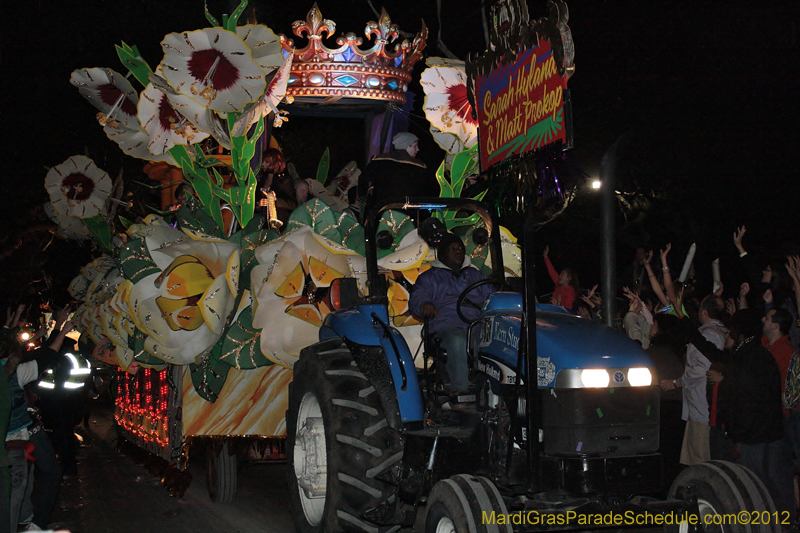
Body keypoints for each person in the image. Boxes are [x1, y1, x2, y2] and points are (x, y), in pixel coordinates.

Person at [409, 233, 495, 403]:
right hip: (444, 328)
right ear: (441, 255)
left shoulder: (475, 276)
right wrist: (424, 303)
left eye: (461, 249)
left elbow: (491, 296)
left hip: (474, 324)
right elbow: (419, 296)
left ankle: (491, 390)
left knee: (490, 338)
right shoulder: (429, 277)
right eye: (453, 249)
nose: (458, 252)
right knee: (457, 339)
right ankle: (460, 391)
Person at [660, 294, 727, 465]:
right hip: (703, 404)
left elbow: (699, 369)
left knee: (700, 456)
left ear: (704, 313)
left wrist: (676, 383)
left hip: (701, 404)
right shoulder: (723, 332)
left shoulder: (707, 335)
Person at [358, 132, 437, 210]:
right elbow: (428, 191)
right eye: (415, 146)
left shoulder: (379, 161)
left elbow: (363, 179)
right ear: (406, 146)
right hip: (407, 214)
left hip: (380, 212)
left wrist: (364, 196)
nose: (418, 149)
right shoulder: (418, 167)